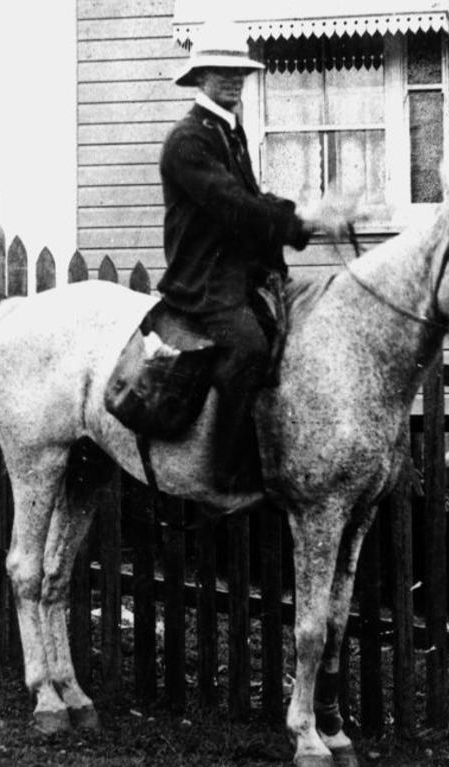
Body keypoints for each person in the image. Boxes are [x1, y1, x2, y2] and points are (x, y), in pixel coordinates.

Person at [158, 22, 334, 499]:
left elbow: (251, 200)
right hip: (204, 281)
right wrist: (300, 224)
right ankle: (223, 473)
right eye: (222, 71)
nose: (234, 80)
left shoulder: (229, 132)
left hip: (237, 276)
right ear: (200, 77)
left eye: (240, 71)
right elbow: (234, 205)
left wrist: (303, 220)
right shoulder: (187, 141)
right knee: (249, 348)